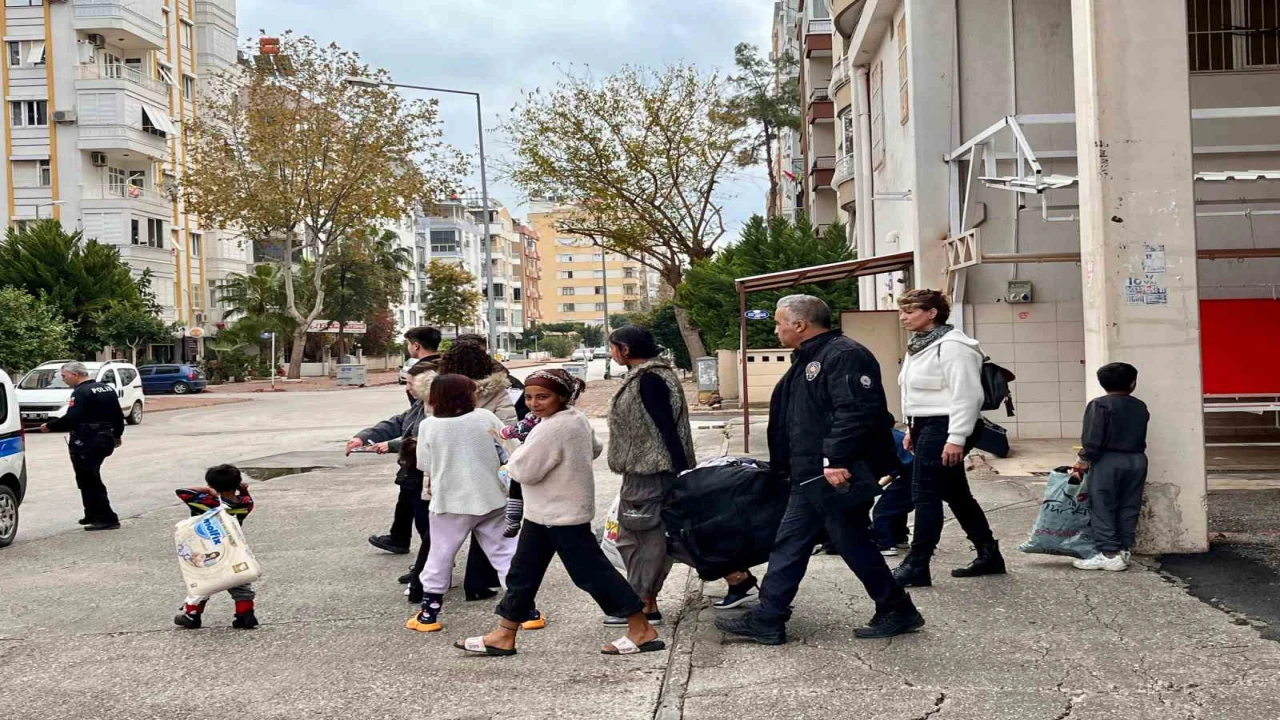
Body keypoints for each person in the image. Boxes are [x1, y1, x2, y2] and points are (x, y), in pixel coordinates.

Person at [716, 295, 923, 645]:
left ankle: (771, 617)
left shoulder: (843, 355)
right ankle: (892, 607)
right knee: (825, 540)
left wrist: (835, 460)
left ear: (799, 324)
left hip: (831, 472)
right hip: (811, 470)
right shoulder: (809, 357)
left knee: (811, 541)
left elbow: (855, 411)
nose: (776, 329)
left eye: (779, 322)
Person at [454, 370, 665, 657]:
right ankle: (504, 633)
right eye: (529, 397)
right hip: (550, 512)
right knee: (523, 573)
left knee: (592, 574)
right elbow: (595, 448)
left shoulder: (551, 428)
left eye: (543, 397)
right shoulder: (575, 418)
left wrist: (513, 451)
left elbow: (523, 471)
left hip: (559, 515)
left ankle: (641, 629)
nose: (534, 404)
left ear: (562, 396)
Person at [893, 289, 1005, 587]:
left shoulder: (954, 346)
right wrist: (911, 428)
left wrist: (957, 437)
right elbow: (915, 393)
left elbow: (967, 395)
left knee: (925, 492)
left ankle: (917, 564)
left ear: (932, 313)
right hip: (925, 424)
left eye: (910, 311)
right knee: (955, 492)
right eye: (902, 311)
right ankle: (989, 554)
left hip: (946, 425)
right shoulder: (919, 344)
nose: (903, 317)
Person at [405, 374, 525, 633]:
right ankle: (526, 611)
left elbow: (424, 463)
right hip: (491, 497)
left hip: (450, 502)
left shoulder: (429, 426)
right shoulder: (484, 417)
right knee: (505, 553)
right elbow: (512, 446)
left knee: (440, 556)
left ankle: (429, 614)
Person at [362, 325, 443, 555]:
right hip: (415, 454)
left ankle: (432, 561)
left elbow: (424, 430)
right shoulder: (439, 368)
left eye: (409, 385)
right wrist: (368, 436)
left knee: (423, 511)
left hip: (422, 457)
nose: (408, 388)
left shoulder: (426, 374)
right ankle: (401, 538)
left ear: (415, 345)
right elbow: (407, 418)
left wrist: (393, 444)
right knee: (410, 497)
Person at [440, 338, 524, 540]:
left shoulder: (439, 391)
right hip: (487, 466)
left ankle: (430, 561)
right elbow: (508, 432)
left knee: (443, 531)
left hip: (449, 467)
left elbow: (431, 434)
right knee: (491, 526)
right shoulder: (500, 390)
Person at [1071, 362, 1149, 572]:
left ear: (1102, 383)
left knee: (1102, 506)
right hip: (1137, 459)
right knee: (1129, 505)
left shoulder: (1100, 405)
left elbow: (1093, 436)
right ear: (1132, 383)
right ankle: (1124, 549)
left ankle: (1108, 554)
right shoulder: (1140, 405)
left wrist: (1083, 460)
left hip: (1108, 460)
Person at [39, 362, 124, 531]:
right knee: (86, 477)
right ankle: (92, 514)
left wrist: (50, 425)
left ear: (75, 375)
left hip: (88, 440)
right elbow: (118, 414)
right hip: (104, 437)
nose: (63, 379)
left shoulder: (81, 392)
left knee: (90, 479)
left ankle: (107, 518)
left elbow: (72, 418)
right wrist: (117, 435)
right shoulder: (106, 388)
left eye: (64, 376)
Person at [173, 465, 259, 630]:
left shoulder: (204, 501)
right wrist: (244, 491)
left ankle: (192, 615)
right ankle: (245, 614)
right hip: (232, 549)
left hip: (206, 550)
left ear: (211, 485)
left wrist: (207, 490)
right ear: (238, 483)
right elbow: (247, 501)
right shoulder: (244, 503)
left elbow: (182, 492)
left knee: (204, 580)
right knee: (240, 581)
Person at [871, 428, 915, 556]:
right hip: (915, 470)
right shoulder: (894, 434)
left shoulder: (882, 438)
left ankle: (885, 543)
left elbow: (892, 472)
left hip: (911, 473)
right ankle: (900, 538)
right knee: (897, 506)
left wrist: (875, 488)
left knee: (882, 509)